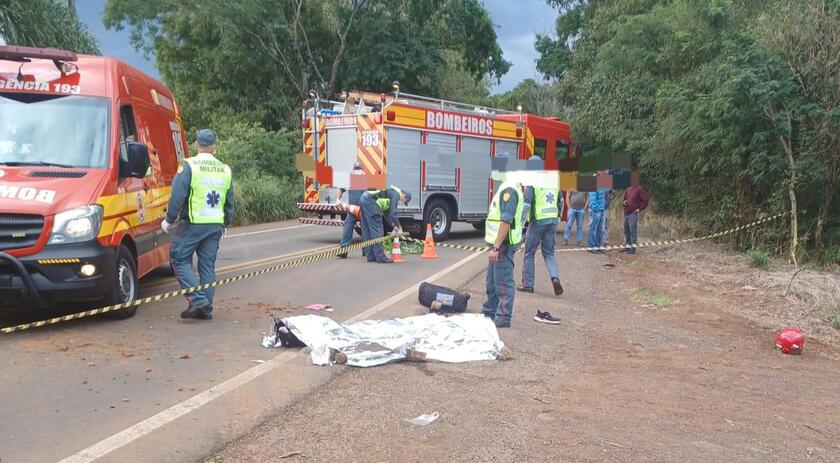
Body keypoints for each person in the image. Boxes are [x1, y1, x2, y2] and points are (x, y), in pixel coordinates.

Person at [161, 129, 234, 320]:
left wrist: (169, 219)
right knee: (207, 267)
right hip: (215, 223)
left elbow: (178, 194)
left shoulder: (189, 165)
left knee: (178, 258)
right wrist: (225, 222)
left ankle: (197, 299)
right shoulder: (225, 169)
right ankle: (205, 308)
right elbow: (229, 201)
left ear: (197, 145)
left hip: (194, 223)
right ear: (214, 147)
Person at [482, 153, 524, 328]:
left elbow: (506, 221)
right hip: (498, 244)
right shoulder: (506, 187)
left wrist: (496, 247)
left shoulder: (509, 190)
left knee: (503, 281)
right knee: (492, 282)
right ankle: (489, 311)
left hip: (503, 245)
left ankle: (504, 316)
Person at [518, 156, 564, 300]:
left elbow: (526, 205)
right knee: (549, 254)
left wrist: (520, 226)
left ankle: (528, 285)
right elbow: (560, 201)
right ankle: (555, 278)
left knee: (529, 252)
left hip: (538, 221)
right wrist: (558, 218)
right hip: (552, 221)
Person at [359, 185, 411, 263]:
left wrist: (393, 225)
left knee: (367, 229)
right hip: (371, 201)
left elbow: (387, 213)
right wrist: (399, 226)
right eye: (404, 201)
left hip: (364, 198)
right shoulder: (396, 194)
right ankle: (380, 257)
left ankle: (371, 256)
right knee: (377, 229)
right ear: (404, 196)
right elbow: (394, 213)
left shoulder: (390, 192)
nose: (402, 201)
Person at [336, 163, 365, 259]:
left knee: (364, 228)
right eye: (356, 169)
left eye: (358, 168)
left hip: (363, 208)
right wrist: (338, 199)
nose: (357, 170)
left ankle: (366, 250)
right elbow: (341, 189)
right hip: (353, 208)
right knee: (349, 225)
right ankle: (344, 250)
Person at [621, 184, 649, 254]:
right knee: (626, 230)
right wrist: (624, 203)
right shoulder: (628, 189)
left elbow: (646, 200)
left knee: (632, 231)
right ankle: (628, 246)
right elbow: (624, 200)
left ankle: (633, 248)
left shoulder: (639, 189)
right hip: (626, 212)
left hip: (633, 213)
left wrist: (640, 208)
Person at [587, 188, 607, 253]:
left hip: (601, 210)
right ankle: (591, 247)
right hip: (595, 211)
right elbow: (592, 200)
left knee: (600, 230)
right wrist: (596, 209)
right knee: (593, 229)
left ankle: (597, 246)